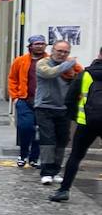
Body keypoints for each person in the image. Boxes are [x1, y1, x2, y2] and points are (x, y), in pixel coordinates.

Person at [50, 47, 102, 202]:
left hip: (87, 122)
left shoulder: (85, 74)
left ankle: (64, 190)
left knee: (76, 156)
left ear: (99, 54)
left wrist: (77, 117)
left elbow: (69, 99)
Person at [35, 40, 83, 185]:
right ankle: (46, 171)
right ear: (52, 50)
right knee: (48, 140)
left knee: (62, 140)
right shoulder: (43, 63)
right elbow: (50, 74)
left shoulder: (72, 66)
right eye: (59, 51)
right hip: (44, 107)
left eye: (65, 52)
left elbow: (80, 77)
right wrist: (68, 64)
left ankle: (55, 170)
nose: (62, 54)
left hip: (64, 108)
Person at [8, 35, 47, 167]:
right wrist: (15, 97)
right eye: (37, 44)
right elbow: (12, 78)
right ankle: (23, 154)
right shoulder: (21, 61)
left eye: (42, 44)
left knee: (39, 130)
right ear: (30, 46)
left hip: (43, 102)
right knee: (25, 127)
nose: (40, 46)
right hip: (25, 100)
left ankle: (34, 158)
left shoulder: (50, 61)